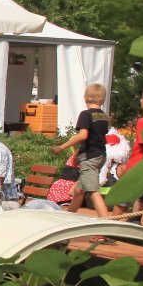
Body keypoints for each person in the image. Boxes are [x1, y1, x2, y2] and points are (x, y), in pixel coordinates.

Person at [53, 83, 111, 217]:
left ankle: (106, 223)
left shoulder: (86, 114)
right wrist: (79, 155)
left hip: (90, 158)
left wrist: (61, 147)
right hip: (100, 155)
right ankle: (67, 217)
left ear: (85, 97)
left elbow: (83, 135)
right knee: (79, 191)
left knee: (93, 192)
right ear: (102, 99)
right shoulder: (104, 116)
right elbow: (94, 138)